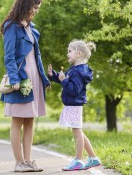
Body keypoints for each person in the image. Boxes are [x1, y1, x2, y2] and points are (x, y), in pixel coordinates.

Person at [0, 0, 50, 173]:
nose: (35, 10)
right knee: (17, 121)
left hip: (34, 78)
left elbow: (37, 57)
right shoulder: (11, 26)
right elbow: (9, 56)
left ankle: (28, 161)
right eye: (34, 7)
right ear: (25, 4)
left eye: (38, 8)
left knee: (30, 121)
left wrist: (44, 78)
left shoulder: (32, 28)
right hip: (20, 79)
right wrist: (14, 78)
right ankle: (18, 162)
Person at [47, 40, 101, 171]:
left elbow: (74, 90)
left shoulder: (78, 72)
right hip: (73, 105)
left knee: (77, 132)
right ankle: (93, 158)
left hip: (74, 105)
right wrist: (53, 75)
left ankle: (78, 160)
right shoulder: (75, 70)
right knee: (79, 131)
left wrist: (64, 80)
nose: (67, 54)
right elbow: (64, 79)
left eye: (69, 51)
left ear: (78, 53)